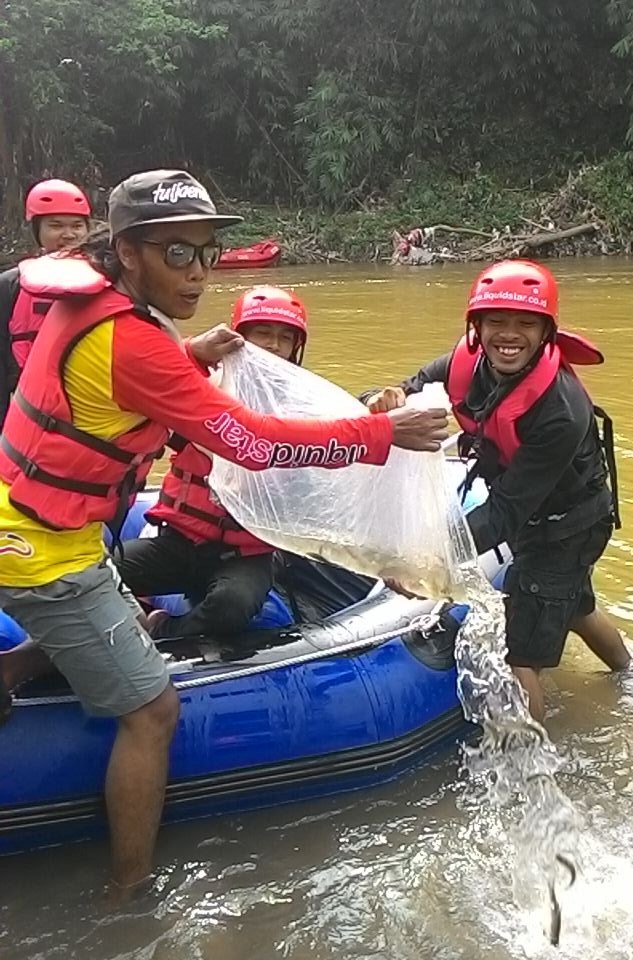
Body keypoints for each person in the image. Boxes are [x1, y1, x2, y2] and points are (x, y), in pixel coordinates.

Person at [0, 168, 448, 894]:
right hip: (43, 548)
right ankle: (129, 895)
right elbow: (252, 443)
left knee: (138, 619)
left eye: (208, 251)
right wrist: (383, 431)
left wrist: (188, 356)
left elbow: (110, 380)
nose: (199, 271)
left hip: (41, 523)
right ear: (129, 251)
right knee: (153, 710)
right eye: (178, 254)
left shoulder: (99, 304)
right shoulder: (133, 340)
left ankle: (12, 674)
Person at [362, 259, 631, 721]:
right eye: (496, 323)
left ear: (546, 332)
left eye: (526, 323)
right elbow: (408, 389)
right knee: (574, 605)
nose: (509, 335)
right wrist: (381, 401)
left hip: (569, 525)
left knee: (519, 656)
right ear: (477, 328)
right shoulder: (463, 364)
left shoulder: (560, 411)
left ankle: (534, 774)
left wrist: (422, 556)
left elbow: (505, 512)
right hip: (540, 511)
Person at [118, 285, 314, 639]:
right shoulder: (204, 390)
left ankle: (165, 631)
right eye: (263, 334)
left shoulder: (304, 410)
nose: (273, 345)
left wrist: (381, 407)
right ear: (240, 338)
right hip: (179, 543)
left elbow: (348, 435)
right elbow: (154, 375)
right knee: (98, 575)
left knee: (231, 605)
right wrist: (194, 351)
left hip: (245, 555)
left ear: (294, 349)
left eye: (284, 338)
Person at [0, 179, 92, 427]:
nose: (69, 234)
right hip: (30, 407)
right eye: (56, 226)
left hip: (89, 406)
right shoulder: (10, 285)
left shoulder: (107, 282)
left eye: (77, 226)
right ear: (37, 231)